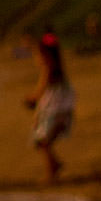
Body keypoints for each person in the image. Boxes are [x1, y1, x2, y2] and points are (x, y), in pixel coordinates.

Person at [26, 31, 76, 184]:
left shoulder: (47, 69)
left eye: (38, 55)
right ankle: (54, 164)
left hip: (52, 110)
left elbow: (41, 90)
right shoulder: (58, 69)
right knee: (44, 141)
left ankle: (51, 171)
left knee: (42, 140)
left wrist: (30, 99)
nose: (36, 59)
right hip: (62, 110)